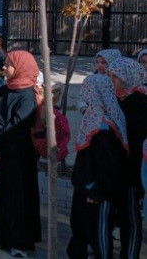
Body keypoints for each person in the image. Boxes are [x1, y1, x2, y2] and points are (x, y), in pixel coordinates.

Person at [0, 50, 41, 257]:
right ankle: (0, 237)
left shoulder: (28, 95)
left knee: (19, 197)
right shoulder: (4, 90)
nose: (5, 67)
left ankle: (19, 242)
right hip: (1, 152)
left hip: (19, 155)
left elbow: (15, 126)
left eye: (9, 64)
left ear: (21, 68)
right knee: (1, 193)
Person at [66, 74, 128, 259]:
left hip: (95, 191)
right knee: (80, 226)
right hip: (83, 186)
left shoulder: (104, 128)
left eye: (87, 91)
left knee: (97, 232)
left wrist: (98, 190)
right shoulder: (92, 120)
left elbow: (107, 165)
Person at [107, 57, 147, 259]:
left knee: (130, 217)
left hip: (133, 169)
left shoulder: (141, 102)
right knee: (117, 214)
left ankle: (130, 254)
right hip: (116, 166)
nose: (111, 79)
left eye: (116, 76)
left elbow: (138, 140)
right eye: (110, 75)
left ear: (128, 77)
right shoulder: (115, 98)